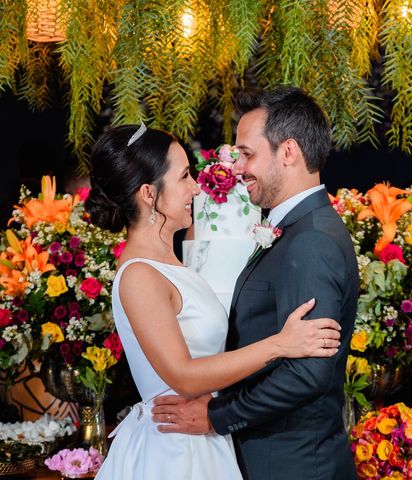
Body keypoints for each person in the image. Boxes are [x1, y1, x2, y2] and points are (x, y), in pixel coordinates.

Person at [87, 123, 343, 480]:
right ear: (149, 193)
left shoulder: (171, 262)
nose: (195, 187)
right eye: (184, 177)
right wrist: (280, 344)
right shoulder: (139, 275)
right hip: (174, 450)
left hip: (201, 438)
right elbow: (185, 377)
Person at [152, 87, 360, 480]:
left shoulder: (312, 240)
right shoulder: (294, 229)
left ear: (289, 152)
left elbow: (308, 373)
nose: (237, 167)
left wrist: (216, 416)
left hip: (294, 463)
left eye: (247, 153)